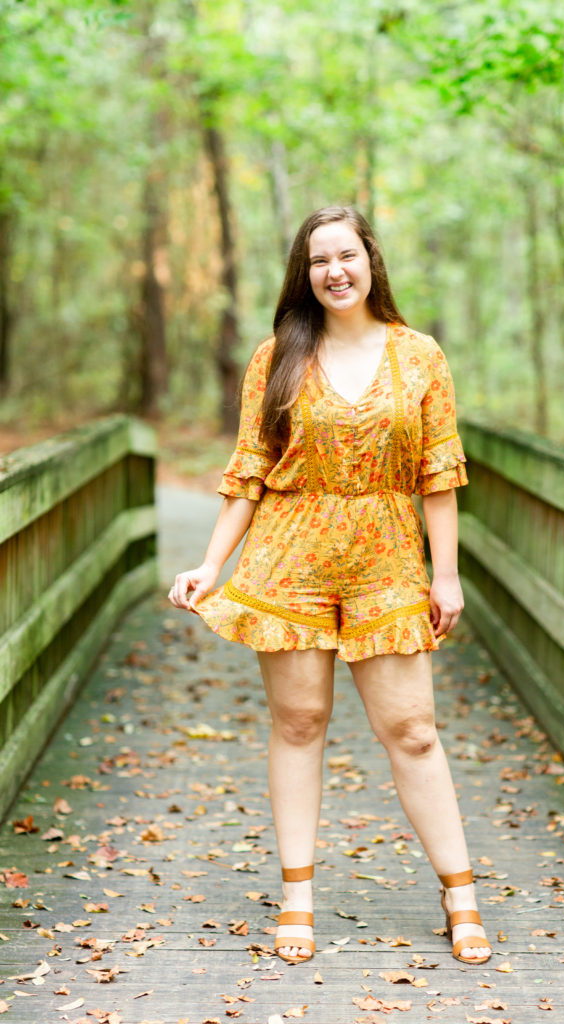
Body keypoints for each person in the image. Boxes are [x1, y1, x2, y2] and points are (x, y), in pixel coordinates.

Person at [168, 206, 491, 967]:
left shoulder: (420, 357)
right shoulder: (277, 354)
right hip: (291, 555)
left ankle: (460, 895)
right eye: (318, 260)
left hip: (386, 557)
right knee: (300, 722)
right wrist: (210, 565)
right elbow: (248, 471)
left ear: (370, 259)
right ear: (304, 273)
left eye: (346, 255)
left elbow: (438, 475)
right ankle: (297, 898)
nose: (334, 271)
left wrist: (445, 574)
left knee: (411, 730)